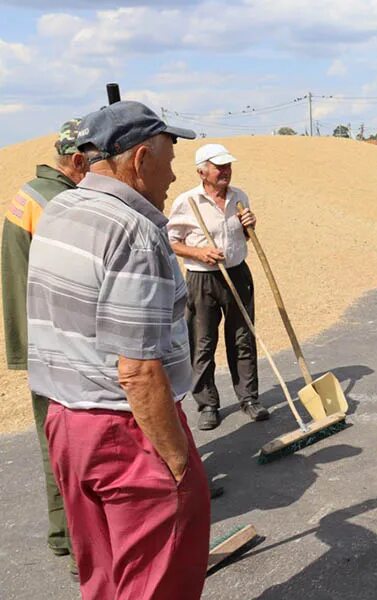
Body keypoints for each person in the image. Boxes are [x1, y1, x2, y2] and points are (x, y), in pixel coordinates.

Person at [27, 101, 210, 597]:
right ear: (141, 158)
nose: (174, 174)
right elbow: (137, 370)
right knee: (155, 579)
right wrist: (177, 465)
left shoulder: (60, 208)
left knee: (105, 577)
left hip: (67, 424)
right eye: (171, 157)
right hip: (126, 431)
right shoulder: (137, 233)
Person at [1, 119, 87, 575]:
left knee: (52, 438)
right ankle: (79, 542)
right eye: (94, 161)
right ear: (76, 161)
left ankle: (61, 532)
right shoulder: (57, 204)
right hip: (56, 345)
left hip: (36, 341)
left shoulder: (31, 192)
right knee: (71, 442)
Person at [167, 143, 269, 431]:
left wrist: (250, 225)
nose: (225, 171)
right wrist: (198, 253)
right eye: (219, 166)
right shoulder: (187, 202)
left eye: (228, 166)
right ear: (202, 171)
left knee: (243, 339)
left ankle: (249, 398)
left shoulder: (239, 196)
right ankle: (208, 403)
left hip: (237, 274)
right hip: (203, 280)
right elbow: (170, 241)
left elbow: (243, 239)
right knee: (203, 343)